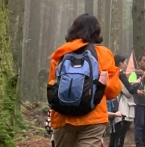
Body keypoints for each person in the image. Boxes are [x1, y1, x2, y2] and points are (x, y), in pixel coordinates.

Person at [49, 14, 122, 147]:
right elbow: (112, 91)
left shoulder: (61, 53)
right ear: (96, 31)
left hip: (63, 118)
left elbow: (52, 87)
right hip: (93, 118)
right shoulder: (103, 53)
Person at [109, 54, 141, 147]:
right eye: (125, 62)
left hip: (113, 108)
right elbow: (129, 91)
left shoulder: (111, 73)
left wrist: (132, 84)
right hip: (121, 110)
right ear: (120, 63)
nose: (126, 64)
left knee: (113, 136)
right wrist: (137, 83)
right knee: (119, 137)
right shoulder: (120, 74)